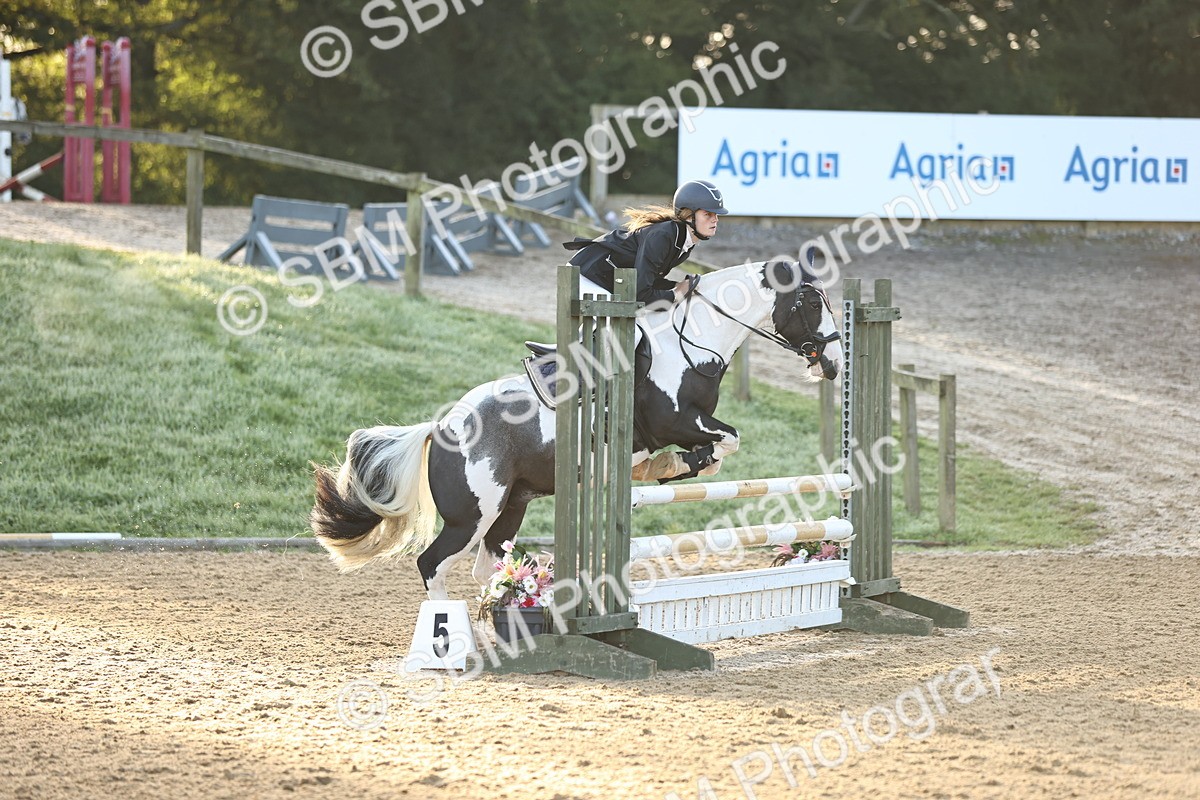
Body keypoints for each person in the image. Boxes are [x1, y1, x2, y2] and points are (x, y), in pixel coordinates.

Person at [563, 180, 728, 323]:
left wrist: (676, 286)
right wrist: (675, 294)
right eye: (708, 214)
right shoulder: (664, 236)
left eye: (716, 215)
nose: (715, 219)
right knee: (630, 333)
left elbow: (648, 280)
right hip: (588, 275)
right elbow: (641, 293)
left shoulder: (684, 241)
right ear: (688, 215)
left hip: (607, 280)